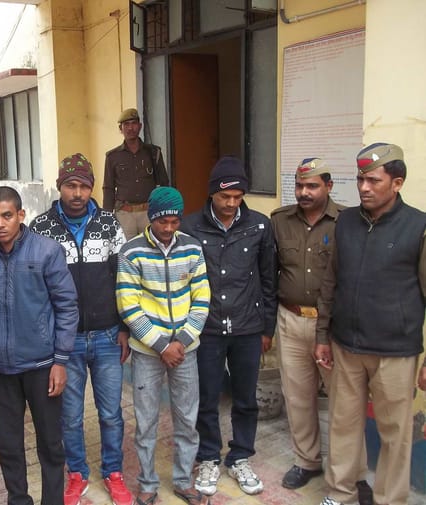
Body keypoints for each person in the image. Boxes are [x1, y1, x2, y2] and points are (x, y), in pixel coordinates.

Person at [314, 143, 426, 505]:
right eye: (361, 179)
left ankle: (389, 500)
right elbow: (330, 282)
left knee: (395, 435)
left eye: (373, 180)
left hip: (395, 352)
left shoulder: (419, 227)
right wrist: (322, 336)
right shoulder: (346, 222)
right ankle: (340, 492)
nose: (363, 187)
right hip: (346, 347)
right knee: (343, 425)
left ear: (397, 183)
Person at [29, 153, 132, 505]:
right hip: (65, 341)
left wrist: (124, 327)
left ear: (92, 188)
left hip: (107, 336)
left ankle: (113, 472)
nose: (77, 193)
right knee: (70, 417)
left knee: (111, 413)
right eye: (71, 186)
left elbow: (124, 279)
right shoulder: (41, 228)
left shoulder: (109, 223)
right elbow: (36, 288)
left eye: (84, 187)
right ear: (60, 186)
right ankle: (77, 473)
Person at [270, 158, 372, 503]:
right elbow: (271, 271)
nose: (304, 192)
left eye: (312, 186)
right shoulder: (280, 221)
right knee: (298, 398)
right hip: (291, 319)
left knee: (346, 404)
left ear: (328, 186)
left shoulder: (349, 221)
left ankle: (355, 475)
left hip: (332, 325)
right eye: (299, 186)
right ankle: (307, 461)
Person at [0, 186, 79, 505]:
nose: (0, 223)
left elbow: (67, 306)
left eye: (7, 216)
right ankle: (18, 500)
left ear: (20, 215)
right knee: (8, 446)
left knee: (50, 443)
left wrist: (60, 360)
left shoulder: (46, 251)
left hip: (42, 366)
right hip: (2, 370)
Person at [180, 156, 277, 497]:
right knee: (207, 397)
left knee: (246, 397)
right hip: (206, 328)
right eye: (225, 197)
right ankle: (209, 456)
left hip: (248, 327)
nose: (232, 203)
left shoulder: (260, 226)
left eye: (238, 197)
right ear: (212, 193)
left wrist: (267, 328)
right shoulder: (190, 227)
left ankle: (240, 457)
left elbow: (269, 279)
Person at [117, 186, 211, 505]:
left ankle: (183, 481)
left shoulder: (192, 248)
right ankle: (147, 483)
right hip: (147, 353)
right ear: (151, 218)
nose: (169, 228)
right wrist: (161, 345)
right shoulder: (131, 252)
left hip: (185, 350)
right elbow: (129, 305)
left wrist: (181, 341)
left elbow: (202, 299)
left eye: (175, 221)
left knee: (187, 419)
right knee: (146, 421)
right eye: (162, 222)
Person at [103, 107, 170, 240]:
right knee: (127, 249)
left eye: (134, 123)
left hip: (149, 212)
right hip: (125, 214)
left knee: (152, 247)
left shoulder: (153, 152)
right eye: (126, 124)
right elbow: (108, 188)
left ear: (140, 126)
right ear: (120, 128)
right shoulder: (113, 156)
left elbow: (164, 183)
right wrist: (106, 218)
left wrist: (165, 211)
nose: (130, 128)